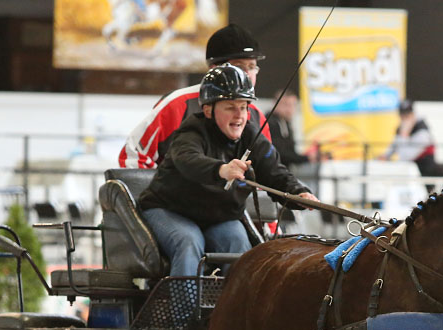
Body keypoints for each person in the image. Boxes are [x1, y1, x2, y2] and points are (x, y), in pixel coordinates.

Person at [138, 65, 318, 277]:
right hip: (169, 210)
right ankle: (184, 310)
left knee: (240, 246)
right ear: (208, 110)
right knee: (188, 241)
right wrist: (221, 169)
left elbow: (275, 173)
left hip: (218, 217)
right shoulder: (191, 131)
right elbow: (188, 160)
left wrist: (299, 193)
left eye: (243, 107)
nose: (239, 115)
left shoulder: (251, 134)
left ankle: (231, 310)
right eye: (230, 107)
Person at [118, 23, 270, 169]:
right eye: (239, 67)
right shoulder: (177, 105)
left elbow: (266, 170)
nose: (248, 74)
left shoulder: (257, 117)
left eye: (252, 67)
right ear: (214, 68)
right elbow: (133, 157)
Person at [381, 99, 437, 177]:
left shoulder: (422, 132)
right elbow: (391, 149)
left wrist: (404, 134)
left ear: (413, 114)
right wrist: (383, 157)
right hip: (409, 175)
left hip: (424, 176)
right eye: (402, 116)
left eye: (407, 115)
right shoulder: (400, 129)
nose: (404, 119)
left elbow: (405, 157)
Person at [266, 90, 310, 168]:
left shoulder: (285, 122)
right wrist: (306, 158)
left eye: (293, 105)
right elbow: (279, 153)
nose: (290, 109)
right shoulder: (271, 123)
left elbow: (289, 150)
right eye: (286, 105)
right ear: (276, 103)